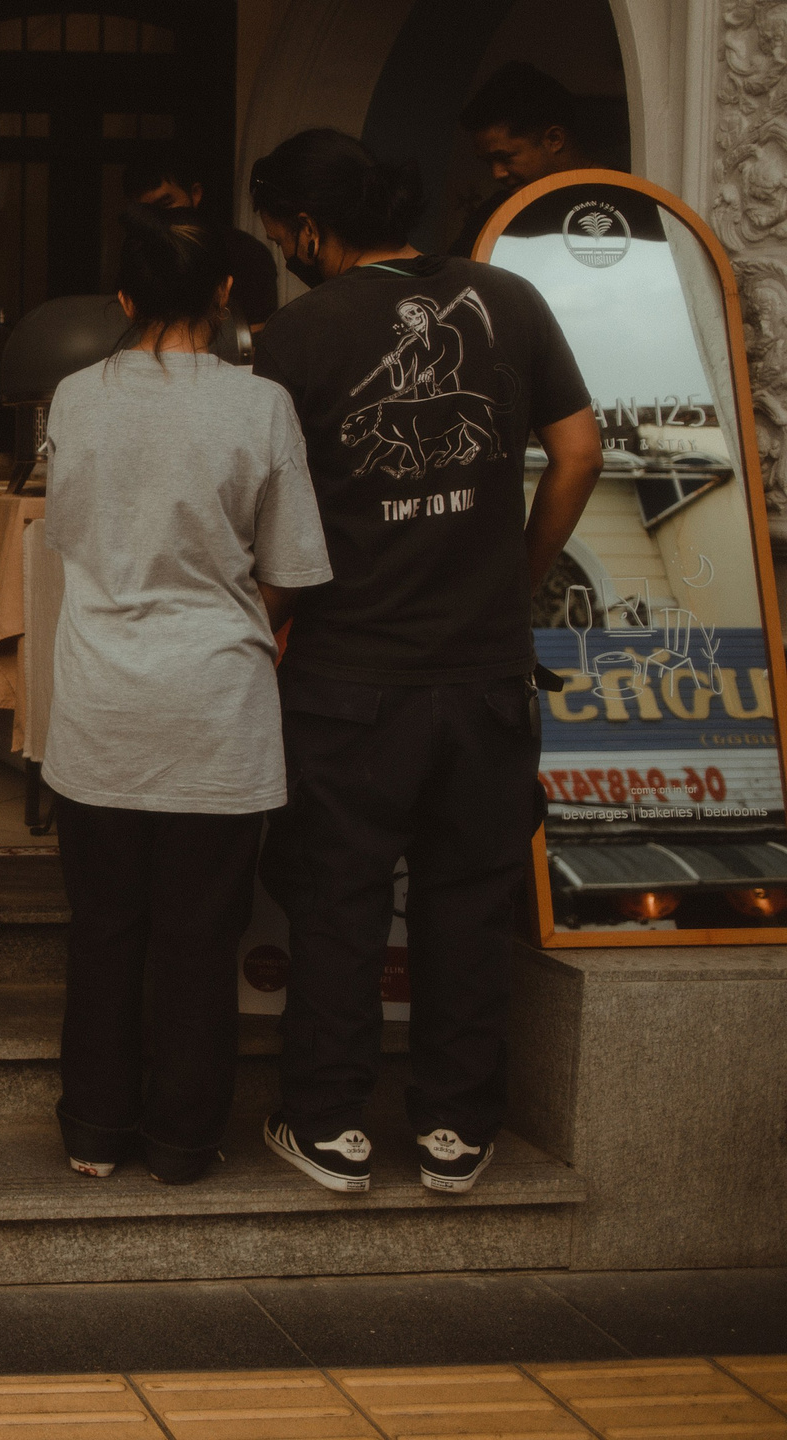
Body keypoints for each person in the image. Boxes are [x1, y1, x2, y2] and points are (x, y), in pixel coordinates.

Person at [249, 129, 599, 1195]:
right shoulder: (514, 302)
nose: (283, 252)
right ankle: (454, 1129)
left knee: (340, 900)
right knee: (467, 899)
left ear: (309, 230)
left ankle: (328, 1127)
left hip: (349, 674)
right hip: (485, 673)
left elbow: (269, 511)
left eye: (280, 235)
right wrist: (519, 574)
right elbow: (579, 447)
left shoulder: (295, 335)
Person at [42, 205, 333, 1187]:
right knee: (199, 939)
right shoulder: (261, 407)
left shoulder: (75, 398)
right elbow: (293, 562)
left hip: (101, 704)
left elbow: (70, 535)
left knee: (105, 928)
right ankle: (180, 1142)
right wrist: (227, 609)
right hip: (217, 703)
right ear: (225, 295)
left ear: (122, 301)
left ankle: (92, 1131)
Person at [448, 64, 605, 256]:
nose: (497, 174)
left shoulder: (627, 200)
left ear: (554, 139)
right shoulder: (495, 215)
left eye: (505, 157)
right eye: (488, 162)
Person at [123, 147, 281, 326]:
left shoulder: (245, 254)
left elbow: (258, 336)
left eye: (166, 204)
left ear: (195, 194)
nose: (157, 219)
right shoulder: (138, 256)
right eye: (146, 211)